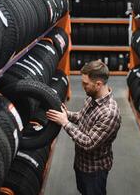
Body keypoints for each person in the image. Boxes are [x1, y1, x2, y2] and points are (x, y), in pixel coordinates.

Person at [46, 59, 121, 195]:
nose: (82, 86)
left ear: (98, 84)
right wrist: (66, 115)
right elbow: (82, 117)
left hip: (94, 171)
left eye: (85, 84)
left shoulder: (110, 113)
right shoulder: (92, 97)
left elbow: (89, 143)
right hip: (81, 163)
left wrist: (65, 123)